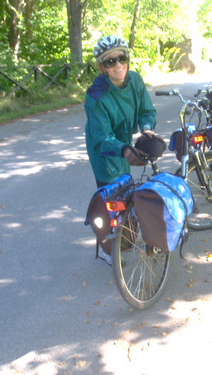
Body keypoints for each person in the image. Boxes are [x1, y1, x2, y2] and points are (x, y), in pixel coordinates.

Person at [84, 35, 157, 265]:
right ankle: (106, 246)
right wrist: (124, 149)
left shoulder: (135, 81)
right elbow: (102, 138)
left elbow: (147, 111)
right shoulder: (96, 97)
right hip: (104, 151)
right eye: (110, 61)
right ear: (102, 67)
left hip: (123, 142)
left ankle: (125, 237)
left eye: (122, 58)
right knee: (110, 197)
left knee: (125, 187)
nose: (118, 65)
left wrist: (146, 129)